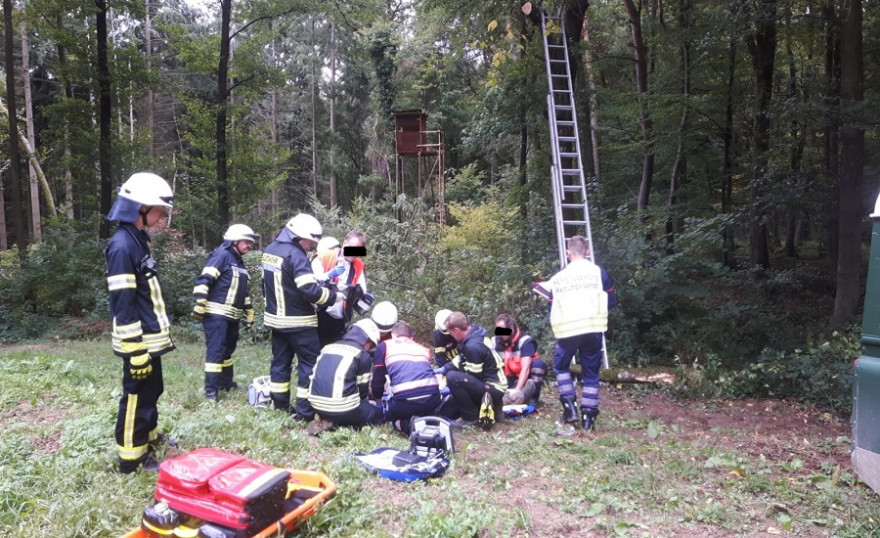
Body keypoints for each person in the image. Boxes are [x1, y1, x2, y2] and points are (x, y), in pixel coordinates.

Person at [105, 172, 175, 473]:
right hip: (138, 341)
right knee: (135, 395)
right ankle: (132, 458)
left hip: (150, 338)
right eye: (158, 209)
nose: (162, 216)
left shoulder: (137, 241)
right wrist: (135, 351)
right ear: (140, 208)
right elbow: (124, 303)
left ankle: (148, 437)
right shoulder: (122, 246)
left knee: (152, 389)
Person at [532, 235, 618, 431]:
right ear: (587, 252)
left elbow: (550, 307)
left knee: (561, 367)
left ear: (568, 253)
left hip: (568, 330)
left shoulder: (559, 278)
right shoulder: (599, 273)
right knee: (590, 373)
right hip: (593, 328)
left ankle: (569, 407)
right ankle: (589, 417)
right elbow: (611, 300)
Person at [262, 213, 338, 422]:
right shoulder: (296, 256)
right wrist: (333, 296)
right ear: (298, 236)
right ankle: (304, 414)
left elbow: (267, 287)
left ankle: (279, 406)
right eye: (310, 242)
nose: (311, 247)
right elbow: (310, 292)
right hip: (299, 323)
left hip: (276, 321)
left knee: (280, 363)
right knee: (309, 365)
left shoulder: (269, 251)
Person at [192, 224, 258, 400]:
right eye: (247, 241)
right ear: (234, 240)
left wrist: (249, 309)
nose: (250, 245)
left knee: (227, 351)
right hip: (216, 316)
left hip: (232, 317)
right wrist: (200, 302)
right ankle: (211, 391)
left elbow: (243, 290)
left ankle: (226, 383)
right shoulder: (221, 255)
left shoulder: (238, 261)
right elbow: (204, 279)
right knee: (216, 351)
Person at [307, 319, 384, 432]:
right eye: (371, 345)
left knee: (348, 410)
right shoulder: (362, 355)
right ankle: (345, 425)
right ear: (368, 340)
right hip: (343, 408)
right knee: (377, 414)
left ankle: (330, 422)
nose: (370, 348)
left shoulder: (327, 348)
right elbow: (362, 392)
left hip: (316, 405)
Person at [435, 312, 506, 429]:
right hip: (493, 384)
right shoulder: (474, 334)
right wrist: (442, 370)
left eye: (451, 333)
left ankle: (471, 418)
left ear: (457, 330)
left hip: (493, 388)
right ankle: (493, 408)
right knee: (448, 410)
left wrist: (447, 386)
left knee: (453, 377)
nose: (451, 336)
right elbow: (461, 359)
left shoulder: (473, 346)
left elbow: (472, 376)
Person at [371, 321, 441, 433]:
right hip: (433, 398)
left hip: (405, 401)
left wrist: (377, 397)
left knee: (389, 418)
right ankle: (429, 419)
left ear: (393, 335)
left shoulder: (384, 346)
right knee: (421, 408)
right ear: (411, 336)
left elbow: (378, 377)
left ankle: (407, 425)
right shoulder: (422, 348)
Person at [312, 231, 373, 346]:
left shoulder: (357, 266)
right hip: (319, 313)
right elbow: (311, 283)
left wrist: (362, 295)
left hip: (341, 317)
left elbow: (362, 289)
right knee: (315, 353)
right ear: (345, 242)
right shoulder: (324, 257)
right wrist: (329, 275)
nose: (354, 255)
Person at [494, 314, 547, 407]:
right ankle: (518, 399)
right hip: (507, 378)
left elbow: (525, 369)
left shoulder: (525, 341)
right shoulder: (495, 341)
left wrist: (517, 390)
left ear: (511, 328)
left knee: (539, 365)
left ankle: (532, 399)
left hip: (524, 377)